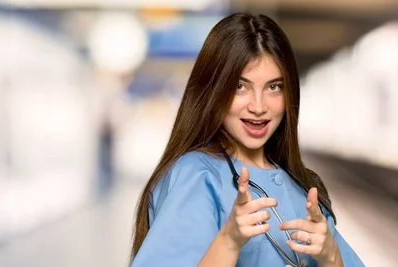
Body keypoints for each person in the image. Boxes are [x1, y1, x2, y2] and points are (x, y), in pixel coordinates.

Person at [130, 12, 366, 267]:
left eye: (274, 87)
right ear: (213, 89)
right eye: (240, 86)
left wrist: (332, 258)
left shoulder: (304, 188)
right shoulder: (196, 175)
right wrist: (229, 241)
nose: (258, 106)